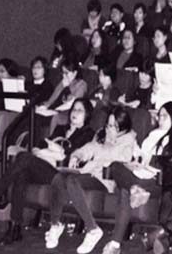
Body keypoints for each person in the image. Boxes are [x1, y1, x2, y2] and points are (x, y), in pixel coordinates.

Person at [0, 98, 94, 245]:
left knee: (23, 157)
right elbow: (40, 145)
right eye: (73, 109)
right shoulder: (60, 129)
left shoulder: (87, 133)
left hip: (61, 174)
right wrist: (46, 151)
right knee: (21, 171)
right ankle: (14, 227)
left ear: (87, 115)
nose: (75, 113)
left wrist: (55, 150)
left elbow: (71, 156)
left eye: (80, 110)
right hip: (44, 167)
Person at [45, 107, 137, 253]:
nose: (108, 129)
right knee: (59, 177)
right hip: (89, 173)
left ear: (123, 128)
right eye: (108, 125)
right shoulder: (101, 137)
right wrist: (77, 156)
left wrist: (110, 143)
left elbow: (122, 159)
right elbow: (88, 148)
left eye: (113, 126)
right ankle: (56, 224)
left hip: (104, 179)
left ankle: (92, 229)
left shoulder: (128, 141)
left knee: (71, 180)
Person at [101, 102, 172, 254]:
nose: (160, 119)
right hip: (139, 175)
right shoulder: (152, 135)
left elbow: (171, 164)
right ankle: (135, 189)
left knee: (124, 191)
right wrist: (135, 159)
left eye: (165, 116)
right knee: (116, 166)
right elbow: (142, 155)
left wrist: (148, 163)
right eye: (159, 115)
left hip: (156, 180)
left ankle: (115, 243)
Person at [36, 58, 88, 136]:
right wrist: (44, 107)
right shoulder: (64, 82)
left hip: (70, 113)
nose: (64, 76)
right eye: (63, 73)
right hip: (57, 109)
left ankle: (50, 139)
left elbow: (74, 104)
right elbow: (51, 100)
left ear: (75, 73)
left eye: (66, 73)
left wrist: (55, 110)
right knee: (36, 113)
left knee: (56, 117)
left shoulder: (81, 84)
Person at [0, 58, 22, 160]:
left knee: (4, 116)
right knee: (2, 115)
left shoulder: (17, 82)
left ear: (10, 71)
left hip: (13, 112)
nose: (0, 74)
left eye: (2, 71)